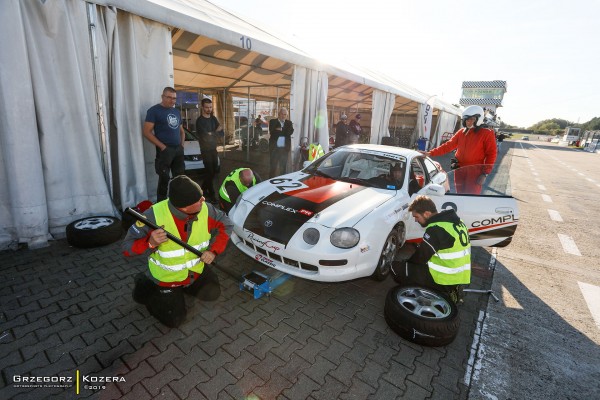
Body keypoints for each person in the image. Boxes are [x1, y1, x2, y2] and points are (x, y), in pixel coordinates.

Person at [123, 175, 233, 328]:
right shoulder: (151, 216)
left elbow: (226, 225)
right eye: (199, 198)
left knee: (213, 294)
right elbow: (127, 249)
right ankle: (147, 287)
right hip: (167, 278)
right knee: (175, 321)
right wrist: (150, 243)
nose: (204, 199)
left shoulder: (205, 209)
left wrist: (213, 251)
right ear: (185, 207)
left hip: (195, 271)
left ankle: (184, 287)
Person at [391, 195, 471, 303]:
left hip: (444, 278)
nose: (415, 220)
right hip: (459, 276)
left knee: (396, 268)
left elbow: (420, 258)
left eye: (416, 217)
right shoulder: (457, 222)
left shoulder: (436, 229)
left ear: (427, 214)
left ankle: (434, 293)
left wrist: (406, 264)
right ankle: (451, 289)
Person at [420, 105, 497, 194]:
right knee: (459, 193)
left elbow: (491, 154)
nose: (468, 122)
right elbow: (448, 146)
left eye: (471, 119)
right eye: (467, 119)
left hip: (474, 170)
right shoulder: (461, 132)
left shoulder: (486, 133)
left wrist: (485, 174)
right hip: (459, 168)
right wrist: (430, 153)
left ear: (478, 118)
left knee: (472, 195)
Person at [143, 87, 185, 202]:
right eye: (169, 97)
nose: (172, 101)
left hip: (178, 150)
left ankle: (178, 203)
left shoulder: (176, 111)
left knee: (180, 179)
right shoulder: (154, 111)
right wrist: (162, 147)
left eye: (174, 98)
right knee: (164, 179)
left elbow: (182, 131)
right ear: (162, 97)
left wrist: (182, 145)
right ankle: (161, 205)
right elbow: (146, 132)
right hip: (165, 151)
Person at [195, 98, 223, 203]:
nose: (209, 109)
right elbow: (206, 138)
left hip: (213, 149)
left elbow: (222, 133)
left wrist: (212, 133)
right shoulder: (200, 121)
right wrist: (215, 132)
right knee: (209, 172)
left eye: (210, 107)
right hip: (205, 150)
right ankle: (212, 195)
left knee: (214, 171)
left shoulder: (213, 119)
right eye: (206, 107)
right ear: (202, 107)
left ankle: (202, 189)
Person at [269, 107, 294, 177]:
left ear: (287, 115)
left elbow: (289, 133)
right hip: (274, 148)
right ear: (279, 114)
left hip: (284, 148)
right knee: (273, 167)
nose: (283, 116)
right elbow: (272, 132)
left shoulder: (289, 123)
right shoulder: (272, 121)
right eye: (282, 114)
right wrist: (284, 131)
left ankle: (282, 181)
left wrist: (280, 129)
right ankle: (270, 182)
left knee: (283, 167)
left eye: (285, 115)